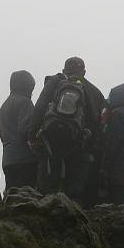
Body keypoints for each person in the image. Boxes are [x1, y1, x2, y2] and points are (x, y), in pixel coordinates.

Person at [28, 57, 105, 206]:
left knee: (46, 189)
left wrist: (32, 137)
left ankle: (43, 222)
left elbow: (40, 107)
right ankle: (71, 223)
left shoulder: (55, 82)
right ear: (84, 71)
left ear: (64, 70)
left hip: (50, 143)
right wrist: (92, 149)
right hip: (79, 146)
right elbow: (97, 122)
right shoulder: (94, 91)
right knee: (74, 192)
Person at [0, 70, 38, 192]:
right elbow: (26, 129)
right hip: (25, 159)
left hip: (8, 159)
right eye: (31, 87)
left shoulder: (4, 106)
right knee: (26, 197)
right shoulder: (24, 102)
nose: (31, 92)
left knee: (12, 194)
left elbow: (2, 134)